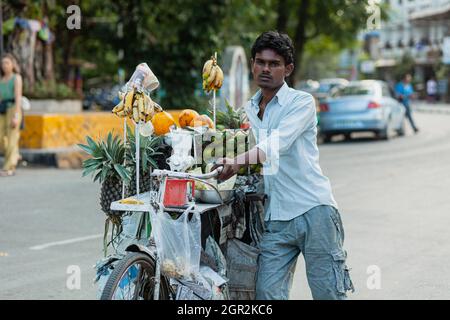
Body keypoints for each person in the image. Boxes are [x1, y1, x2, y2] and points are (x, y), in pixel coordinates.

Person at [212, 31, 354, 300]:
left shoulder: (301, 103)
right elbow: (234, 146)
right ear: (253, 64)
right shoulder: (247, 111)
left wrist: (237, 162)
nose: (265, 69)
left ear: (288, 69)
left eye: (274, 64)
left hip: (315, 212)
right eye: (260, 62)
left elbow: (276, 144)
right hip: (275, 219)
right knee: (267, 293)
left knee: (328, 294)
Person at [0, 54, 23, 177]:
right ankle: (15, 155)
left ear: (13, 64)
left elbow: (18, 97)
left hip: (14, 108)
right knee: (2, 137)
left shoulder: (16, 78)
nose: (4, 65)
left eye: (7, 63)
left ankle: (9, 167)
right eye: (3, 63)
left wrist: (16, 115)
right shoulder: (1, 79)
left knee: (12, 137)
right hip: (2, 109)